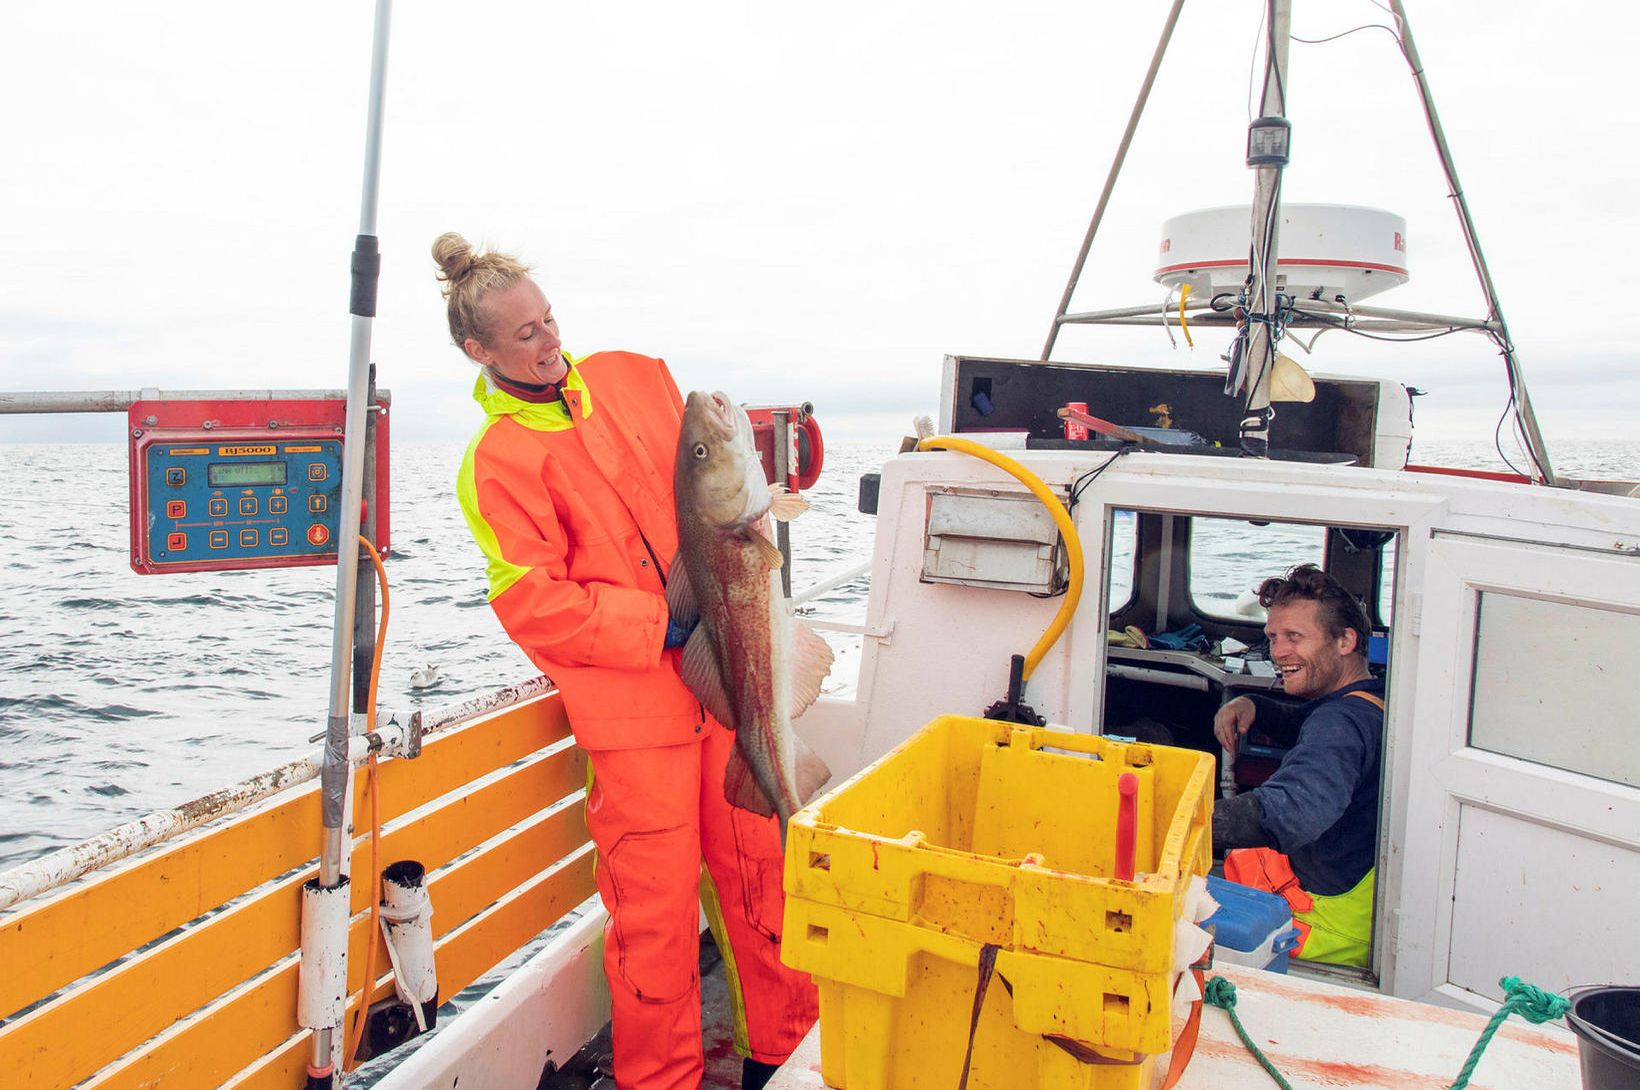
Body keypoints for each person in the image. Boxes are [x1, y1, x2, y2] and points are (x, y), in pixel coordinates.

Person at [433, 232, 817, 1090]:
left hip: (729, 680)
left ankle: (786, 1061)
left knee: (767, 878)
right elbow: (534, 605)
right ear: (478, 350)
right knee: (654, 920)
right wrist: (659, 627)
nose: (548, 342)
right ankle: (662, 1083)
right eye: (524, 334)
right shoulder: (496, 463)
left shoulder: (637, 376)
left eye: (550, 320)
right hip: (636, 720)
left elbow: (714, 477)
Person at [1211, 563, 1385, 967]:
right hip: (1359, 907)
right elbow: (1318, 726)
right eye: (1272, 637)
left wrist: (1177, 817)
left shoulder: (1339, 724)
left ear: (1345, 641)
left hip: (1319, 927)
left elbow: (1291, 812)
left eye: (1294, 637)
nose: (1278, 652)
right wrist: (1257, 707)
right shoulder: (1371, 701)